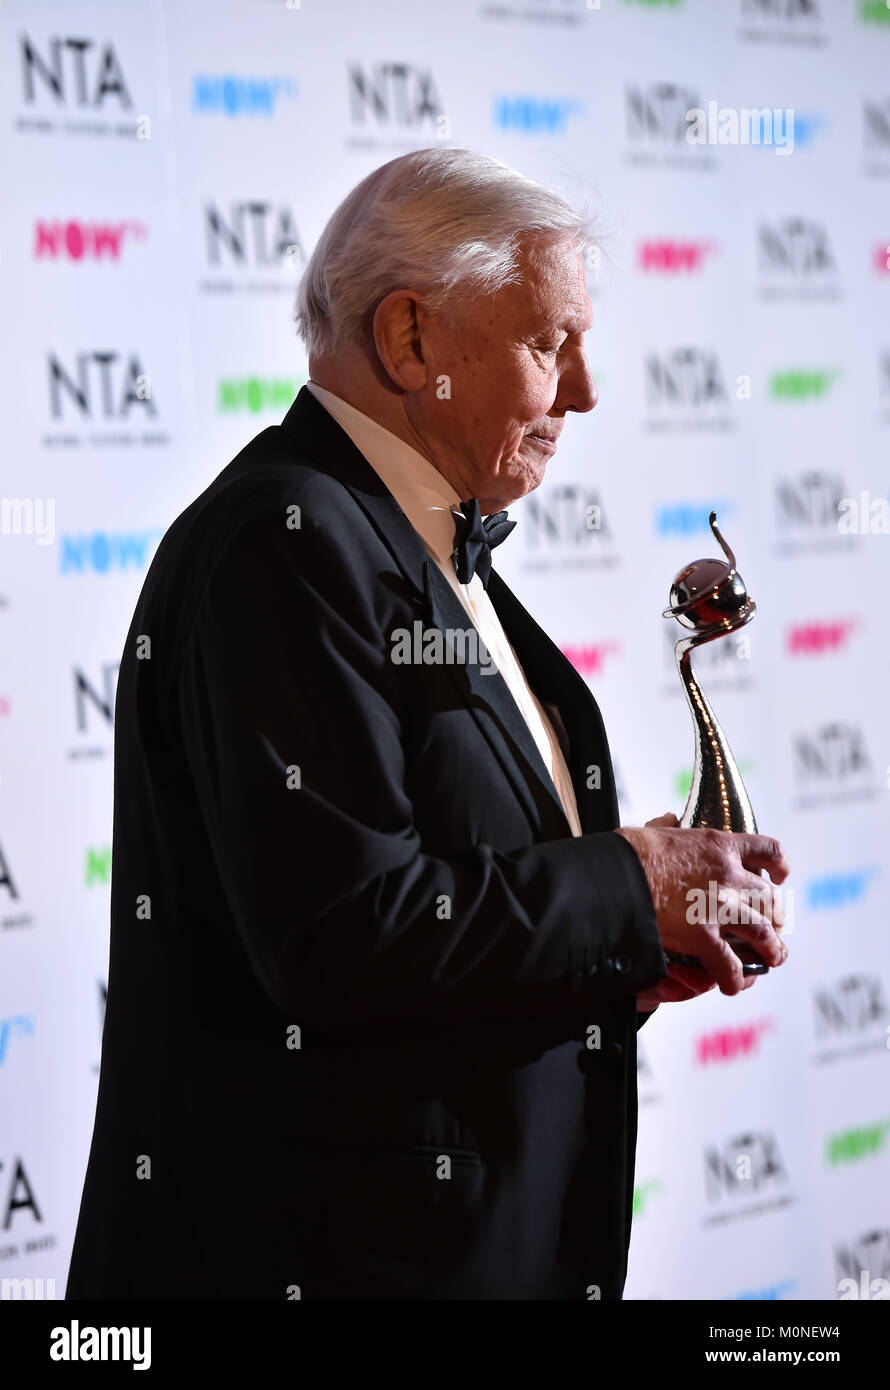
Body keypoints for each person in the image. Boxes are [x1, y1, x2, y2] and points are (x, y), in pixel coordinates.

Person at [66, 147, 789, 1302]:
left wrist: (626, 942)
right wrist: (624, 885)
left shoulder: (403, 538)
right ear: (410, 342)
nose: (585, 393)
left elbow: (437, 914)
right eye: (551, 344)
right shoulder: (286, 540)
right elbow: (344, 937)